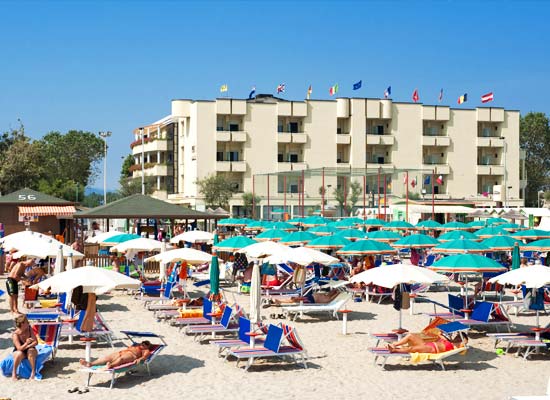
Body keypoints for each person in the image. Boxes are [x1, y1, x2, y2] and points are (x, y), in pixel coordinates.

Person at [79, 341, 152, 369]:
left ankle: (111, 365)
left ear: (147, 346)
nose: (142, 345)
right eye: (142, 343)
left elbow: (144, 357)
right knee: (107, 358)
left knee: (121, 359)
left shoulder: (146, 350)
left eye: (145, 344)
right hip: (122, 352)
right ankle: (90, 364)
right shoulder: (136, 345)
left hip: (132, 355)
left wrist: (139, 359)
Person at [11, 314, 38, 380]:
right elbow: (19, 348)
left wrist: (28, 345)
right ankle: (14, 372)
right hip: (20, 350)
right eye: (27, 322)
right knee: (19, 353)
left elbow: (36, 342)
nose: (28, 323)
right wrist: (26, 343)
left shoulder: (29, 328)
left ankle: (33, 371)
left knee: (30, 351)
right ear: (22, 324)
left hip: (29, 348)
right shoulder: (15, 334)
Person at [388, 331, 467, 354]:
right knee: (410, 335)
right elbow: (439, 333)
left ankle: (394, 350)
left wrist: (463, 337)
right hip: (426, 345)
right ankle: (395, 344)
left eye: (457, 335)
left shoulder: (457, 344)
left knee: (411, 348)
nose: (455, 335)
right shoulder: (448, 340)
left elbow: (464, 345)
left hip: (431, 349)